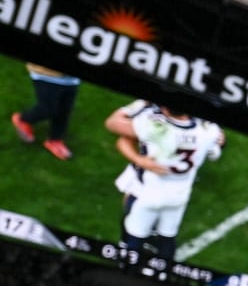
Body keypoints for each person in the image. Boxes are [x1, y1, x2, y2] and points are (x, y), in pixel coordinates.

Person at [105, 100, 224, 266]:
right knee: (167, 238)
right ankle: (163, 274)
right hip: (178, 197)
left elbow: (113, 126)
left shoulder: (154, 126)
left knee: (132, 237)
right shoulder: (208, 130)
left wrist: (138, 105)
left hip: (148, 194)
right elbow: (215, 152)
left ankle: (126, 267)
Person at [11, 62, 81, 159]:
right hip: (46, 75)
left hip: (72, 80)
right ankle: (23, 119)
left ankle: (55, 140)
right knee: (48, 109)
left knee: (64, 111)